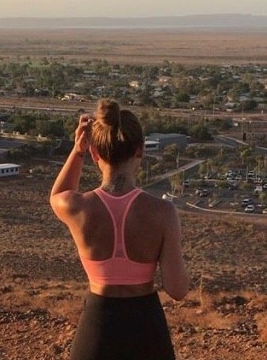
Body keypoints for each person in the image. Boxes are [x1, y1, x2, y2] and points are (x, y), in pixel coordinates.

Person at [50, 99, 189, 360]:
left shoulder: (77, 207)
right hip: (147, 330)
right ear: (140, 150)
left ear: (95, 153)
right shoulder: (162, 213)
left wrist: (77, 150)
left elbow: (58, 193)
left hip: (98, 327)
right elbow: (178, 290)